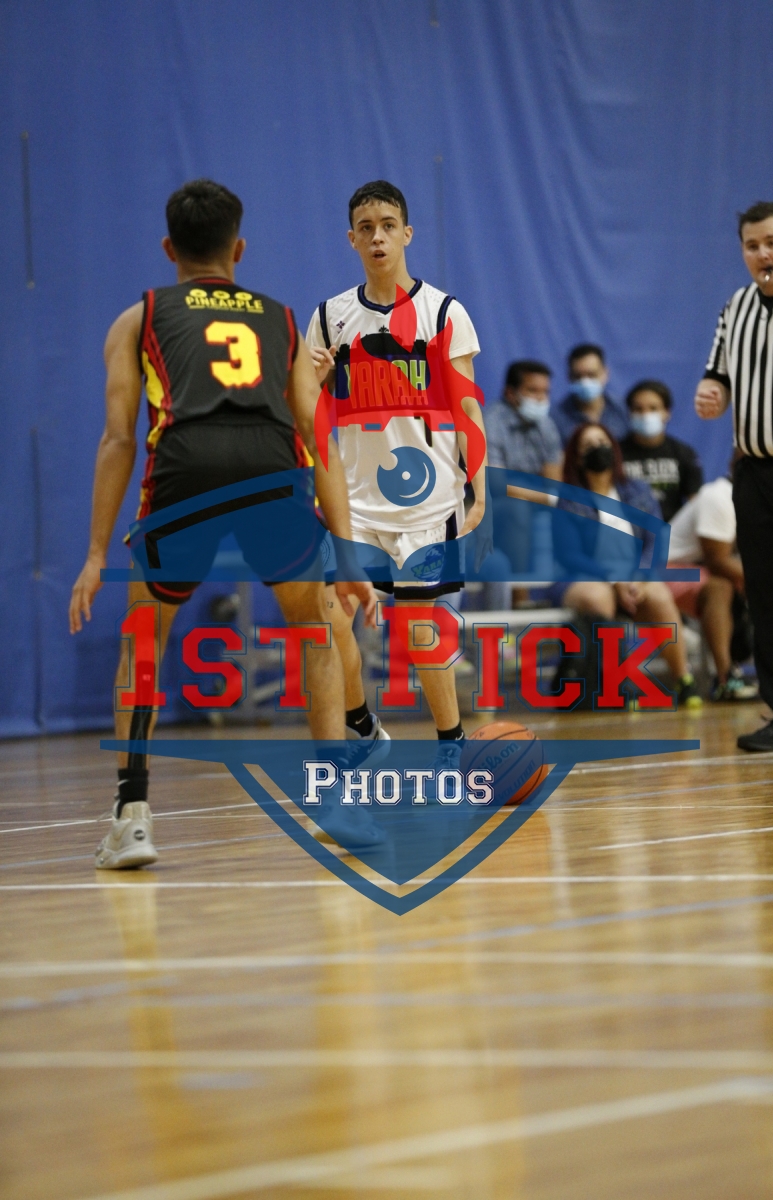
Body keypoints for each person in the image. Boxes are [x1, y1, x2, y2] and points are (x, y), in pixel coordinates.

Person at [69, 179, 377, 869]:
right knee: (317, 628)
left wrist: (95, 552)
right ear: (238, 249)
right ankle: (334, 799)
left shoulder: (139, 318)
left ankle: (132, 817)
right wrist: (348, 552)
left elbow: (118, 438)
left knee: (143, 638)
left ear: (168, 248)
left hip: (187, 468)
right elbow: (317, 435)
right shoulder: (283, 320)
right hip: (271, 469)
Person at [306, 180, 486, 750]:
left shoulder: (444, 312)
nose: (377, 237)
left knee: (418, 626)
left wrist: (479, 487)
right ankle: (363, 725)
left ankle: (451, 743)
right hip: (354, 502)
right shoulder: (329, 318)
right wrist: (313, 381)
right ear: (352, 240)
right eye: (366, 228)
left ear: (407, 233)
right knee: (329, 615)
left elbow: (467, 405)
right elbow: (309, 411)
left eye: (388, 226)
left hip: (426, 503)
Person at [696, 200, 773, 750]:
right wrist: (712, 393)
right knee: (768, 597)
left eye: (771, 242)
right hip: (755, 475)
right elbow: (718, 374)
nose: (762, 254)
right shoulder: (735, 307)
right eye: (751, 246)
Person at [549, 423, 701, 707]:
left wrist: (638, 576)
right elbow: (570, 555)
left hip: (632, 575)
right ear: (577, 457)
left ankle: (684, 680)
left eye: (602, 442)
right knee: (598, 598)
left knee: (659, 596)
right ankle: (618, 683)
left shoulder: (638, 491)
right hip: (583, 576)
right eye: (588, 445)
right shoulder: (569, 499)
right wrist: (614, 579)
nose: (598, 449)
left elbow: (655, 542)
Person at [667, 464, 758, 701]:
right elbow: (717, 561)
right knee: (721, 586)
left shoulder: (757, 501)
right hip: (661, 569)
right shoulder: (719, 497)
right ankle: (725, 678)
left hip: (695, 568)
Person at [484, 360, 563, 607]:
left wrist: (547, 495)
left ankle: (569, 593)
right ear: (510, 393)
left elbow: (554, 481)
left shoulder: (546, 425)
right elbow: (496, 485)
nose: (540, 398)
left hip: (534, 500)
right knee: (516, 508)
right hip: (490, 507)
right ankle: (520, 598)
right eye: (532, 390)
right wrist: (544, 496)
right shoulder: (491, 422)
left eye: (545, 392)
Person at [620, 379, 703, 521]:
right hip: (627, 528)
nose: (645, 415)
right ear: (629, 413)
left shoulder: (683, 454)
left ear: (667, 412)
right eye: (638, 409)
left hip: (672, 529)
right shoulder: (616, 453)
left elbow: (696, 504)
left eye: (653, 409)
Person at [552, 343, 629, 444]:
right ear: (569, 376)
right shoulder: (555, 418)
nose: (584, 382)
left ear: (605, 373)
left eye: (591, 375)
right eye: (578, 376)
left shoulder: (623, 409)